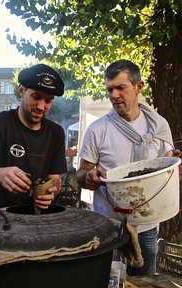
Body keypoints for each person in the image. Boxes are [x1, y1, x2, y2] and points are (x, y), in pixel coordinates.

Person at [76, 59, 175, 276]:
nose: (114, 95)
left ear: (138, 87)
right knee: (104, 286)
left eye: (121, 88)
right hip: (108, 225)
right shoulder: (98, 130)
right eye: (110, 89)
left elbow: (167, 168)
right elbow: (81, 174)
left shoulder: (158, 126)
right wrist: (88, 177)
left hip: (146, 226)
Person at [0, 63, 67, 212]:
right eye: (36, 97)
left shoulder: (56, 133)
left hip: (35, 224)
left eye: (48, 100)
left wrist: (51, 192)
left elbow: (55, 178)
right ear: (22, 91)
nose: (41, 106)